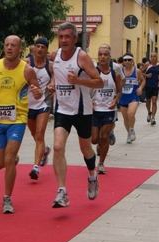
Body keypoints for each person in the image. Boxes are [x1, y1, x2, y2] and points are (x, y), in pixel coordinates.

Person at [0, 35, 41, 214]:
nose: (9, 48)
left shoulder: (27, 70)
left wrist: (37, 92)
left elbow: (38, 92)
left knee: (8, 159)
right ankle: (12, 160)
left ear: (20, 49)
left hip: (18, 120)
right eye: (6, 45)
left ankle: (7, 198)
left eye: (13, 45)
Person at [47, 22, 104, 208]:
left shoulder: (82, 57)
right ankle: (62, 192)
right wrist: (52, 84)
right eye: (60, 36)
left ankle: (92, 176)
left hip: (82, 110)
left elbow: (99, 82)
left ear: (74, 38)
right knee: (57, 147)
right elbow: (57, 74)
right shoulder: (55, 56)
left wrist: (79, 80)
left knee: (85, 148)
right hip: (62, 109)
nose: (63, 40)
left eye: (67, 37)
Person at [23, 37, 53, 180]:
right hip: (28, 105)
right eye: (38, 46)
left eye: (43, 47)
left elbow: (56, 78)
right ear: (34, 48)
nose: (40, 49)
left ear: (47, 50)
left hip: (43, 103)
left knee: (40, 135)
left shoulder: (50, 66)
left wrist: (52, 84)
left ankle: (35, 167)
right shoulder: (26, 63)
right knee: (35, 135)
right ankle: (45, 150)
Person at [91, 46, 121, 174]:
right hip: (95, 109)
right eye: (100, 54)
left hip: (109, 109)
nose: (102, 56)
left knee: (104, 137)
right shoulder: (93, 73)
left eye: (105, 54)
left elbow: (119, 91)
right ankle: (101, 144)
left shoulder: (116, 74)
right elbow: (86, 89)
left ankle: (101, 163)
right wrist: (89, 100)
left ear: (109, 57)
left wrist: (116, 99)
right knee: (94, 139)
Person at [119, 53, 145, 144]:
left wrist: (140, 88)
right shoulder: (119, 71)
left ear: (132, 61)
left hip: (133, 96)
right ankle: (129, 133)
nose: (127, 61)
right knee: (125, 118)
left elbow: (143, 80)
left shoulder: (137, 71)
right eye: (125, 60)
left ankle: (132, 129)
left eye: (129, 60)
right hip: (123, 97)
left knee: (131, 114)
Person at [141, 52, 159, 126]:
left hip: (155, 86)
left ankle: (153, 118)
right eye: (152, 56)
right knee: (148, 101)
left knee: (154, 101)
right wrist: (146, 75)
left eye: (154, 56)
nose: (153, 58)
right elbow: (140, 72)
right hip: (148, 85)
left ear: (157, 57)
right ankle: (149, 112)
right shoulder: (147, 65)